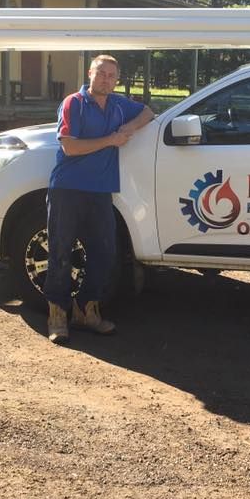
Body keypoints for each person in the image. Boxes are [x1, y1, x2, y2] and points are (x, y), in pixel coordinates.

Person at [44, 54, 154, 344]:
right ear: (90, 74)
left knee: (105, 254)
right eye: (101, 73)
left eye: (112, 76)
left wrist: (129, 128)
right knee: (60, 252)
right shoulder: (74, 103)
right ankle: (57, 315)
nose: (106, 79)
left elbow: (147, 112)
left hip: (100, 191)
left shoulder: (118, 104)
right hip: (68, 189)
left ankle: (85, 309)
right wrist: (111, 140)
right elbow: (69, 147)